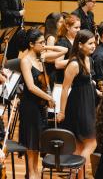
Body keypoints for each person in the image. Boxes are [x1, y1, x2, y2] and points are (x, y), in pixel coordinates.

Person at [19, 29, 67, 179]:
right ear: (31, 44)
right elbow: (31, 86)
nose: (43, 44)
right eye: (40, 42)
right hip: (30, 106)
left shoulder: (42, 57)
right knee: (31, 140)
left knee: (38, 139)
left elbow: (64, 50)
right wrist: (49, 97)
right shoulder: (25, 61)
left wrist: (46, 47)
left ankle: (35, 171)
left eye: (44, 42)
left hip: (41, 105)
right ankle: (31, 173)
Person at [57, 30, 99, 179]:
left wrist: (96, 91)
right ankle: (75, 174)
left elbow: (88, 81)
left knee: (80, 145)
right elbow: (65, 88)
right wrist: (61, 112)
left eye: (94, 42)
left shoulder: (89, 59)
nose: (94, 46)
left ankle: (77, 177)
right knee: (92, 142)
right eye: (90, 43)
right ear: (80, 45)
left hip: (88, 101)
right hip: (78, 104)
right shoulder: (74, 63)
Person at [54, 14, 80, 84]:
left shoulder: (77, 40)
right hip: (63, 81)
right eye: (76, 27)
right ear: (68, 27)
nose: (78, 30)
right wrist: (77, 60)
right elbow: (58, 64)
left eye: (79, 27)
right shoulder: (62, 42)